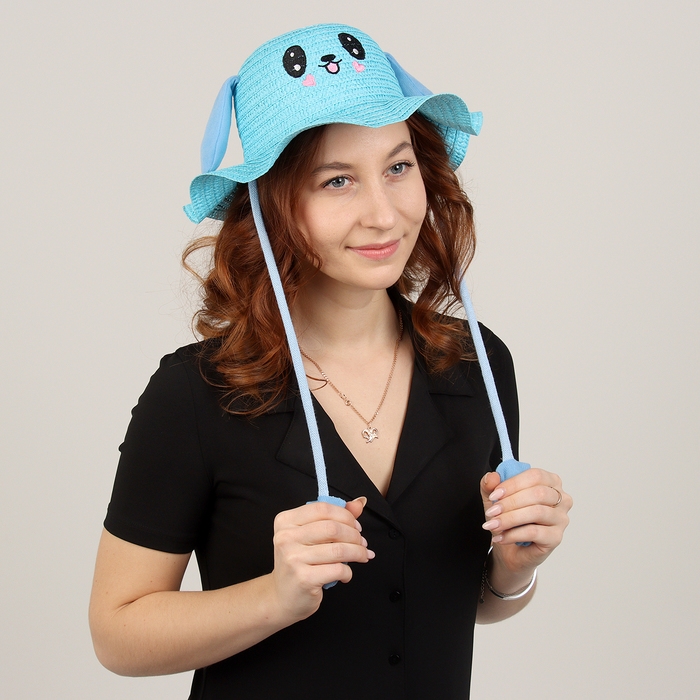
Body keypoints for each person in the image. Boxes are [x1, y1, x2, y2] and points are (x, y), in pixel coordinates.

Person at [89, 23, 571, 700]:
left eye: (398, 167)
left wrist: (515, 568)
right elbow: (117, 634)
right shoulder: (195, 395)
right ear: (270, 206)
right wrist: (275, 597)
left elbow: (456, 599)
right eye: (337, 180)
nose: (385, 214)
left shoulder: (477, 366)